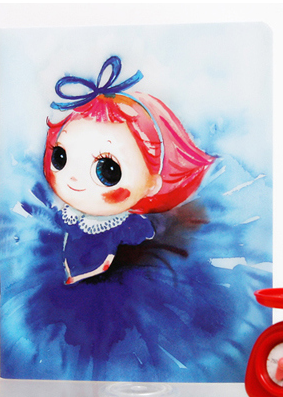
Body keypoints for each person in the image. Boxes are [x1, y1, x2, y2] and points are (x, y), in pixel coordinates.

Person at [43, 56, 215, 284]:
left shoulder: (134, 234)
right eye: (60, 157)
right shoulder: (66, 218)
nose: (73, 178)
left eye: (107, 170)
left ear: (152, 184)